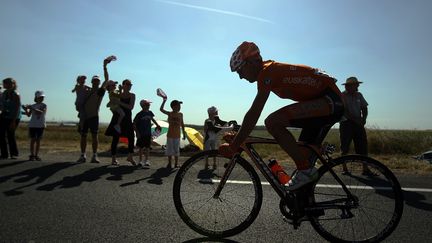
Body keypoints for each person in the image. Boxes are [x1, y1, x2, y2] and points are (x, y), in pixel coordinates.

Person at [219, 41, 344, 190]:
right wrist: (239, 136)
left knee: (273, 122)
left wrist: (234, 145)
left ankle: (305, 169)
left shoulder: (268, 72)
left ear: (251, 62)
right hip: (324, 102)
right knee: (303, 161)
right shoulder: (268, 71)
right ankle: (306, 207)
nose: (240, 77)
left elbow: (254, 112)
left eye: (240, 71)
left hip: (330, 100)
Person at [339, 77, 373, 175]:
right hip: (346, 123)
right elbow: (344, 111)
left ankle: (365, 169)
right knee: (344, 146)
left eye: (357, 84)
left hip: (358, 123)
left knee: (363, 146)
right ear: (348, 86)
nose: (357, 86)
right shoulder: (342, 95)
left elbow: (364, 107)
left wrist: (364, 119)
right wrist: (356, 120)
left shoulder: (359, 95)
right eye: (355, 84)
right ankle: (345, 169)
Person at [76, 70, 108, 163]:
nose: (96, 82)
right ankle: (83, 155)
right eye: (94, 80)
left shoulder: (100, 91)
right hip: (84, 116)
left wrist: (105, 66)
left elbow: (106, 80)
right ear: (92, 81)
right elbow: (78, 87)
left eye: (97, 81)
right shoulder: (86, 90)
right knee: (83, 136)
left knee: (94, 136)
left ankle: (94, 155)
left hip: (94, 116)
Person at [105, 77, 136, 166]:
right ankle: (113, 159)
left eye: (130, 84)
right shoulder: (118, 94)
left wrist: (119, 103)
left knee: (131, 137)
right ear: (123, 85)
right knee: (115, 138)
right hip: (118, 117)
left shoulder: (132, 95)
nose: (129, 86)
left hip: (127, 118)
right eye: (127, 84)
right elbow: (111, 101)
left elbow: (130, 107)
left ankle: (130, 156)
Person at [133, 99, 161, 167]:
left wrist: (157, 125)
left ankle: (146, 160)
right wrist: (137, 133)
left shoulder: (150, 112)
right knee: (141, 148)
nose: (149, 105)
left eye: (149, 104)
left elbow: (152, 119)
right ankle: (140, 161)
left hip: (148, 133)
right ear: (143, 105)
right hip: (141, 133)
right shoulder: (139, 114)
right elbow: (134, 124)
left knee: (148, 147)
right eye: (147, 104)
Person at [160, 97, 186, 168]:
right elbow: (161, 109)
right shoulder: (170, 113)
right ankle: (169, 163)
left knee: (176, 150)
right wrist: (164, 101)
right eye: (178, 106)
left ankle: (176, 164)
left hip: (177, 135)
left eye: (180, 106)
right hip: (170, 135)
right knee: (169, 150)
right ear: (173, 107)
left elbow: (182, 124)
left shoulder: (180, 114)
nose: (179, 107)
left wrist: (184, 133)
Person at [0, 78, 22, 159]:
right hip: (5, 116)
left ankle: (14, 153)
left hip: (14, 117)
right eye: (4, 83)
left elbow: (17, 108)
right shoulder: (4, 93)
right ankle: (4, 154)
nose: (4, 85)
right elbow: (2, 105)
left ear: (12, 84)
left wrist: (13, 121)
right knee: (1, 134)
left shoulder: (16, 94)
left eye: (6, 83)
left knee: (10, 135)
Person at [23, 90, 47, 161]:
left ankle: (36, 155)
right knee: (33, 140)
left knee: (38, 140)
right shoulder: (33, 105)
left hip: (40, 125)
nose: (42, 98)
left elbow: (41, 112)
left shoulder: (44, 105)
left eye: (42, 97)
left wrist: (31, 108)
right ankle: (32, 155)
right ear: (36, 97)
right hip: (32, 124)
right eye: (40, 97)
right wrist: (25, 109)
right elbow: (28, 115)